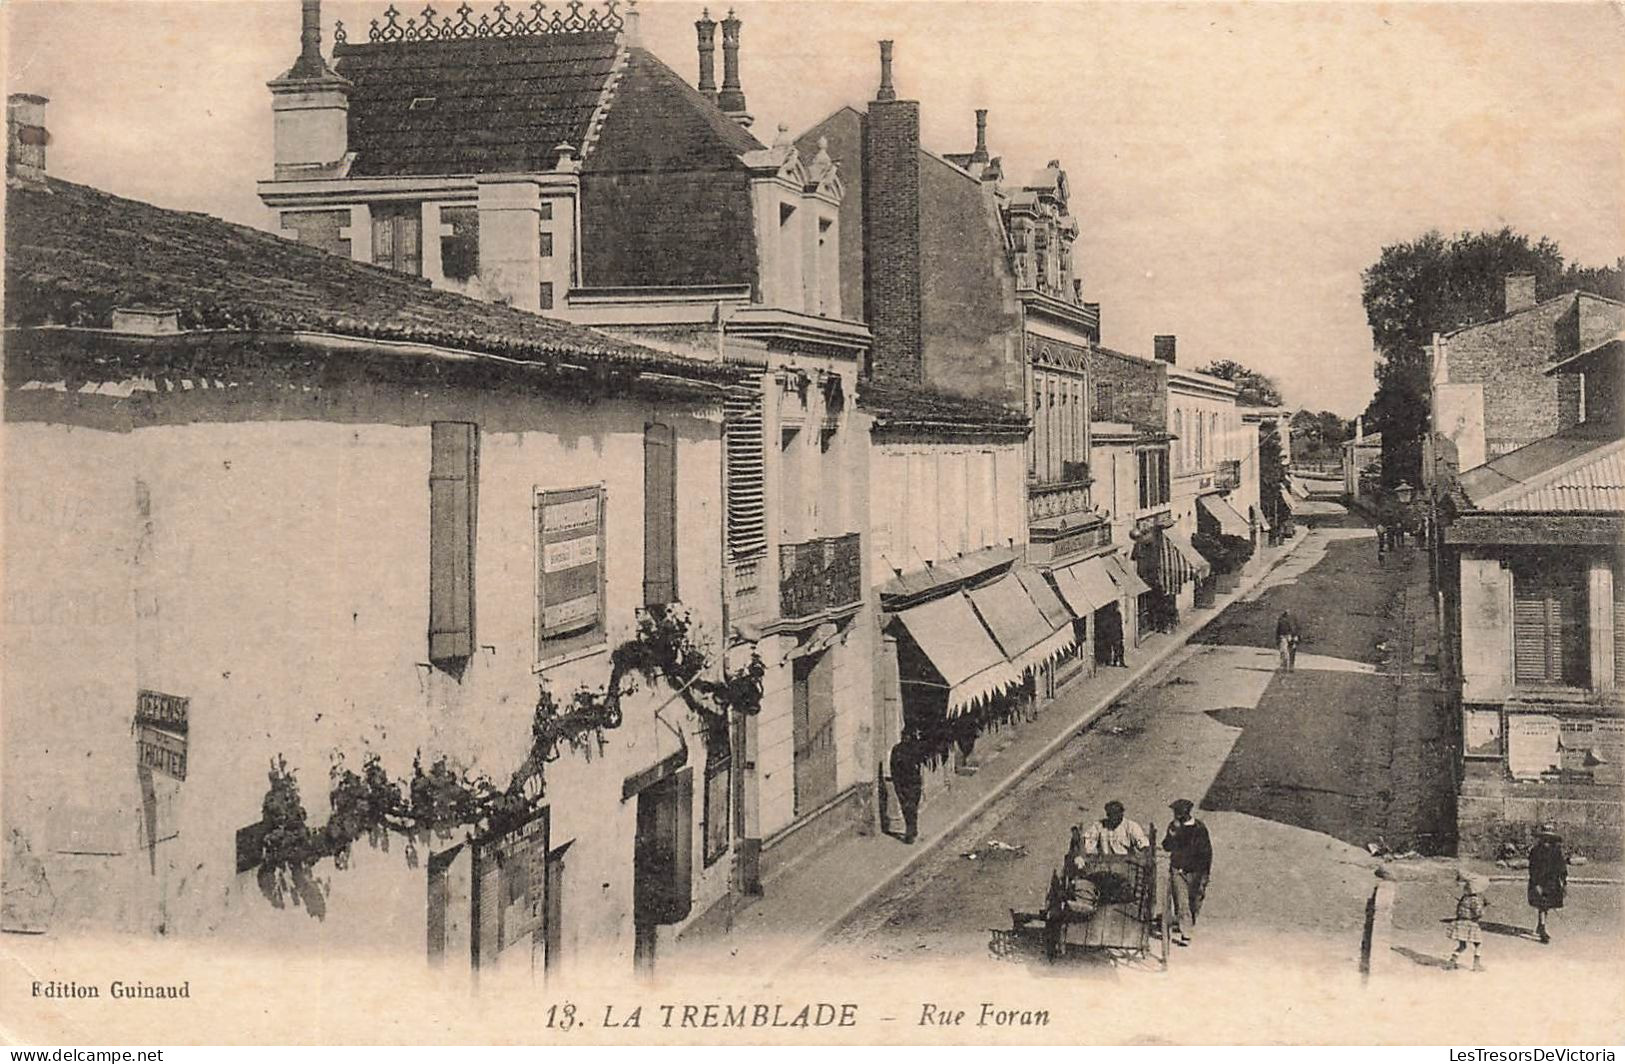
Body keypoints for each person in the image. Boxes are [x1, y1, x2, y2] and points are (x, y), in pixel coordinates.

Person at [1162, 799, 1213, 947]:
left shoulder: (1199, 828)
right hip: (1178, 869)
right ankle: (1186, 933)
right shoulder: (1173, 826)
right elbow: (1166, 847)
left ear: (1187, 813)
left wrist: (1204, 874)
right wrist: (1171, 835)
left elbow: (1206, 853)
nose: (1177, 815)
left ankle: (1188, 922)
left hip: (1196, 871)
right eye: (1175, 812)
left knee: (1195, 900)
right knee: (1181, 901)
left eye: (1180, 813)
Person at [1527, 824, 1568, 944]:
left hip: (1552, 881)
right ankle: (1543, 930)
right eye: (1544, 838)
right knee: (1542, 904)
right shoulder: (1535, 851)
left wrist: (1564, 882)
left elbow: (1562, 867)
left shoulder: (1556, 851)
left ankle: (1540, 924)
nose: (1546, 841)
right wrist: (1536, 884)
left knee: (1546, 905)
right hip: (1539, 881)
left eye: (1549, 838)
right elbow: (1532, 868)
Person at [1447, 870, 1489, 971]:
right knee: (1478, 944)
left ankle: (1452, 961)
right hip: (1471, 924)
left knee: (1462, 945)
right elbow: (1478, 913)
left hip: (1460, 923)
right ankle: (1476, 964)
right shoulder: (1475, 900)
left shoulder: (1464, 898)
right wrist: (1484, 907)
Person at [888, 731, 924, 844]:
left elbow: (919, 765)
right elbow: (893, 768)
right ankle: (910, 832)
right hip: (904, 783)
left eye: (908, 737)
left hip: (914, 782)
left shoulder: (914, 749)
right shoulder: (897, 750)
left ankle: (912, 829)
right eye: (904, 737)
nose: (906, 739)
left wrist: (920, 782)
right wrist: (896, 784)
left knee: (912, 808)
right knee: (907, 808)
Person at [1082, 800, 1150, 857]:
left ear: (1122, 813)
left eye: (1116, 813)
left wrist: (1144, 851)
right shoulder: (1099, 826)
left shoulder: (1131, 826)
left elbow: (1142, 844)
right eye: (1111, 814)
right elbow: (1087, 843)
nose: (1114, 817)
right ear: (1107, 815)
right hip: (1105, 863)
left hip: (1126, 864)